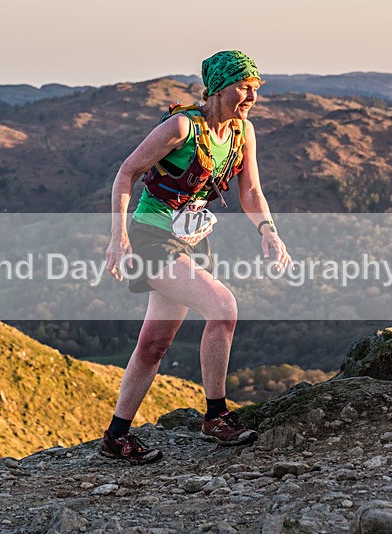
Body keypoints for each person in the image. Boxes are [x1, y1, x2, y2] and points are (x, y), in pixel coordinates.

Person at [103, 50, 292, 464]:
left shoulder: (244, 132)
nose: (251, 97)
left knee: (154, 344)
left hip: (190, 238)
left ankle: (116, 437)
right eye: (244, 88)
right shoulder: (181, 127)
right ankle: (216, 415)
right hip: (152, 234)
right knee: (223, 307)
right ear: (220, 86)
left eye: (255, 89)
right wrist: (118, 238)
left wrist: (269, 232)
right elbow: (125, 173)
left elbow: (251, 192)